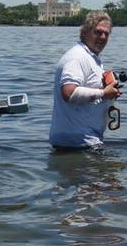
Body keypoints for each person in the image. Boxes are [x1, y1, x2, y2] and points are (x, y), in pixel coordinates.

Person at [48, 10, 122, 150]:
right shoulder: (77, 57)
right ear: (85, 32)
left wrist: (108, 93)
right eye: (98, 32)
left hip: (85, 142)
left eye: (106, 33)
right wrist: (103, 93)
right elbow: (69, 93)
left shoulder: (91, 57)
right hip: (76, 145)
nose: (102, 37)